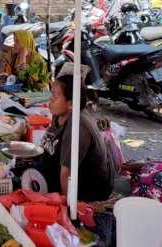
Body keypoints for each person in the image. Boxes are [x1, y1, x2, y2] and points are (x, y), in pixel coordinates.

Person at [39, 74, 114, 202]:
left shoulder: (76, 126)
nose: (50, 99)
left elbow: (66, 174)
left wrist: (63, 205)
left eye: (55, 96)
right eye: (51, 94)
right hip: (63, 171)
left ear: (71, 104)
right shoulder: (60, 114)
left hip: (89, 189)